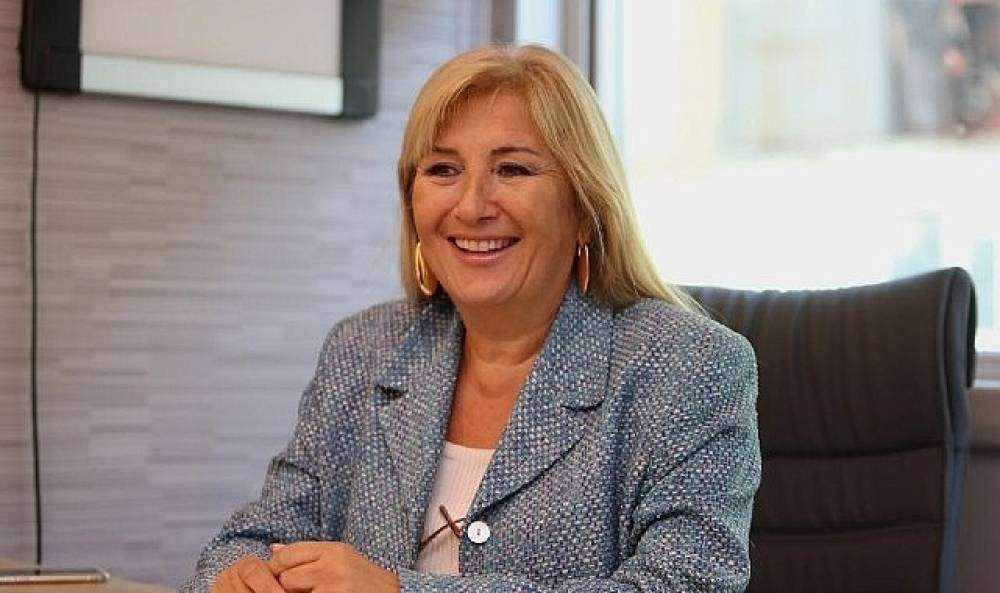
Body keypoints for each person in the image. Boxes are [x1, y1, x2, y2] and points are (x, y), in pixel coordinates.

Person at [180, 44, 760, 593]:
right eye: (442, 170)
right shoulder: (365, 348)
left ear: (585, 209)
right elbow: (254, 538)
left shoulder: (688, 365)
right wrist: (238, 578)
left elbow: (686, 583)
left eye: (513, 170)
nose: (471, 205)